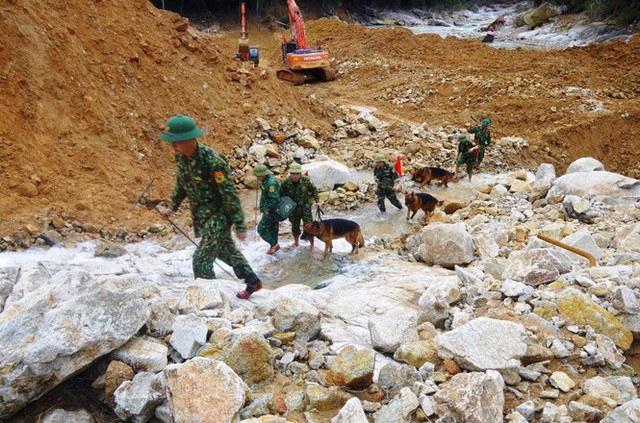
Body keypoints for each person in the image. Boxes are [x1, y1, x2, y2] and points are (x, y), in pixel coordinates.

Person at [157, 114, 263, 300]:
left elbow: (228, 194)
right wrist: (171, 208)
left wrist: (239, 224)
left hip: (219, 216)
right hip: (201, 216)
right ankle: (253, 281)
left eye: (177, 142)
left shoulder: (213, 161)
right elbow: (182, 185)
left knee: (201, 259)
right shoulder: (182, 158)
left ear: (190, 138)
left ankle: (208, 300)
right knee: (226, 252)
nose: (173, 146)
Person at [281, 162, 321, 248]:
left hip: (305, 207)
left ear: (300, 174)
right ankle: (296, 243)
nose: (295, 176)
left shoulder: (306, 180)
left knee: (310, 226)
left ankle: (312, 245)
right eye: (293, 174)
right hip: (293, 210)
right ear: (290, 173)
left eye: (297, 174)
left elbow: (314, 190)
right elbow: (281, 196)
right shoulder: (285, 183)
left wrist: (317, 201)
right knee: (295, 227)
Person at [254, 164, 281, 255]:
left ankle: (274, 245)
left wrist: (267, 210)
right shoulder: (266, 180)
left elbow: (274, 199)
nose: (257, 177)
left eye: (258, 176)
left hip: (271, 211)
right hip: (273, 210)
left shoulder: (270, 183)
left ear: (263, 175)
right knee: (273, 228)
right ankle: (274, 246)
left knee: (261, 229)